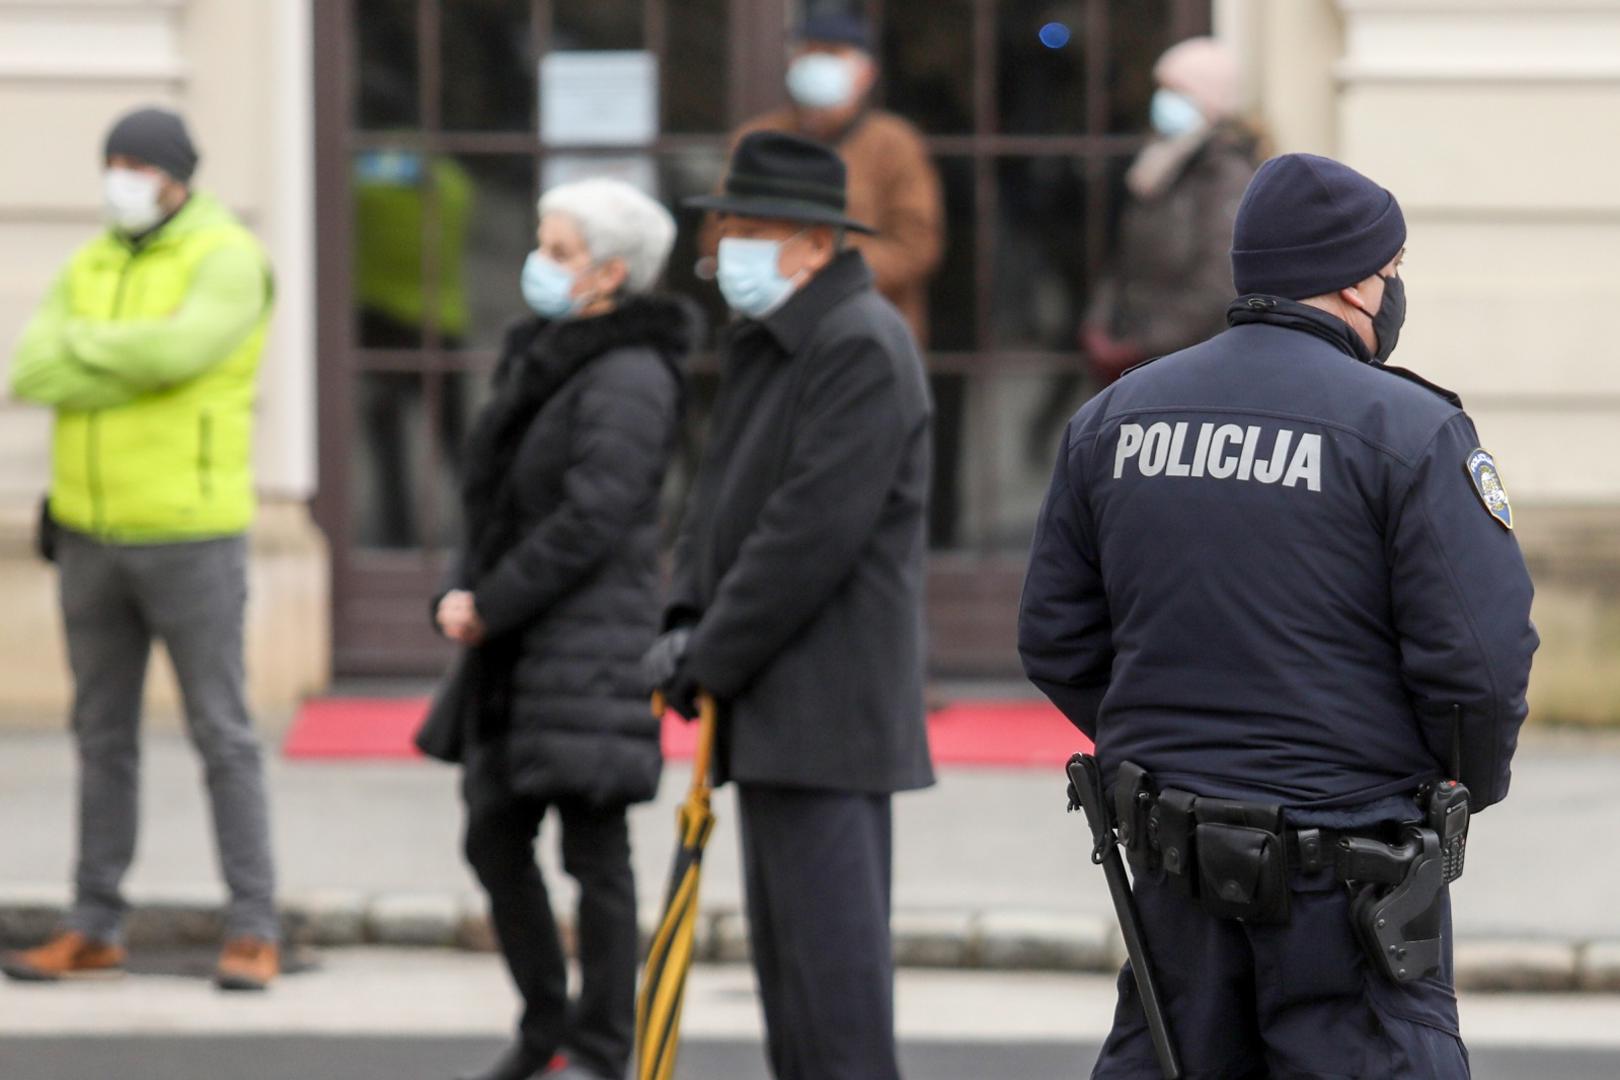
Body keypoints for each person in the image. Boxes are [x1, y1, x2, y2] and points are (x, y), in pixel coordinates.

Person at [1019, 153, 1537, 1077]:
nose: (1395, 289)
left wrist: (1179, 756)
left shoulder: (1115, 418)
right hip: (1350, 895)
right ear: (1356, 283)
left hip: (1173, 879)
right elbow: (1481, 668)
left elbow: (1058, 639)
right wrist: (1447, 790)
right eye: (1393, 268)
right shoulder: (1409, 431)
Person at [644, 131, 935, 1080]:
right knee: (795, 995)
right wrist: (684, 616)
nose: (725, 248)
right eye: (725, 228)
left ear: (814, 243)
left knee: (835, 1005)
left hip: (828, 711)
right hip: (778, 707)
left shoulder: (859, 343)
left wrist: (708, 656)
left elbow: (806, 537)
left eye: (747, 230)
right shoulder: (779, 337)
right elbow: (718, 501)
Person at [3, 107, 280, 992]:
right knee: (100, 738)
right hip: (89, 532)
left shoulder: (226, 256)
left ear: (175, 175)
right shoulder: (92, 260)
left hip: (190, 533)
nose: (120, 177)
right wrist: (126, 357)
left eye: (136, 163)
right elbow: (31, 368)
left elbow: (182, 353)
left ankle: (254, 926)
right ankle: (94, 924)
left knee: (222, 733)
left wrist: (88, 351)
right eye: (112, 160)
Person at [425, 177, 692, 1080]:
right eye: (541, 244)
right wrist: (461, 588)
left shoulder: (632, 373)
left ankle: (601, 1046)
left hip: (590, 642)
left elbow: (593, 516)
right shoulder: (539, 352)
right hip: (517, 643)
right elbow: (492, 500)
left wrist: (490, 601)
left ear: (611, 273)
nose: (537, 263)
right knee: (493, 835)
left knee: (594, 851)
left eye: (559, 250)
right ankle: (546, 1025)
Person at [703, 12, 960, 544]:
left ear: (866, 72)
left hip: (863, 345)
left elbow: (918, 244)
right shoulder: (757, 140)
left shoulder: (893, 143)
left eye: (833, 53)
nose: (816, 64)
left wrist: (819, 278)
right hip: (768, 346)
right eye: (808, 51)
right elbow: (714, 236)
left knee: (853, 506)